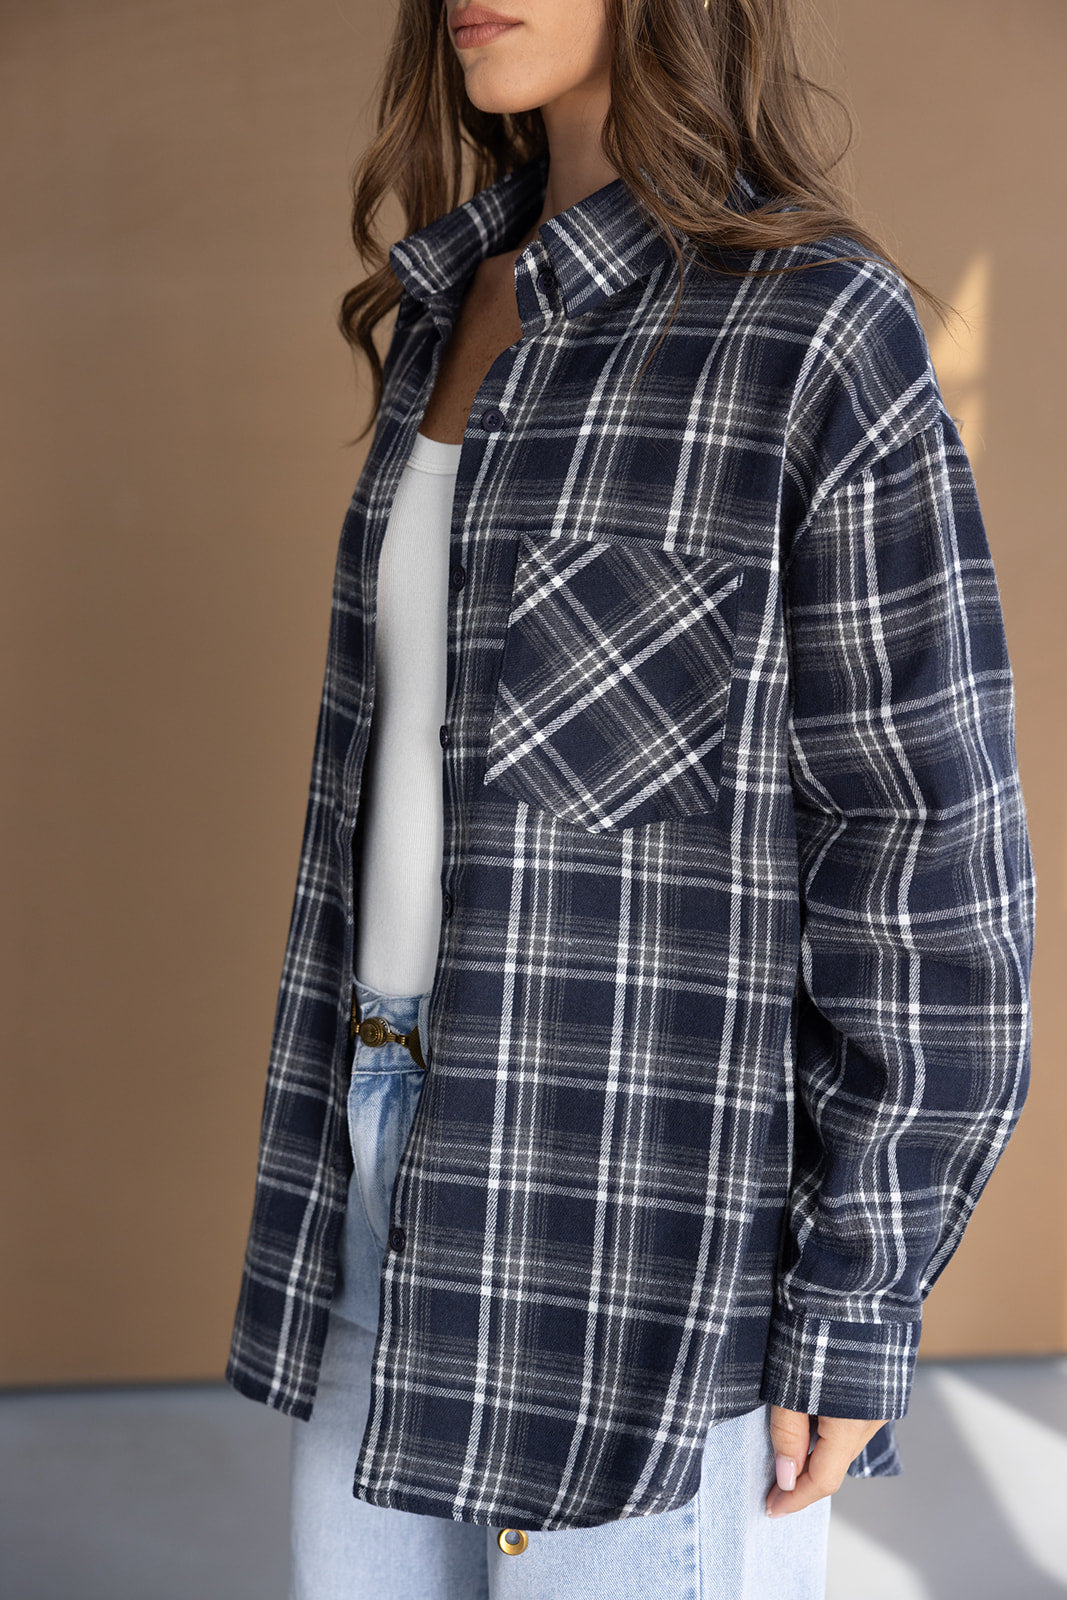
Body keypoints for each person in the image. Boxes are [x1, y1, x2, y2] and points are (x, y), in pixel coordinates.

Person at [226, 0, 1036, 1594]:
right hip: (379, 1130)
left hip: (640, 1211)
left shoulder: (814, 331)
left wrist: (860, 1290)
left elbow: (926, 848)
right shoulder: (450, 304)